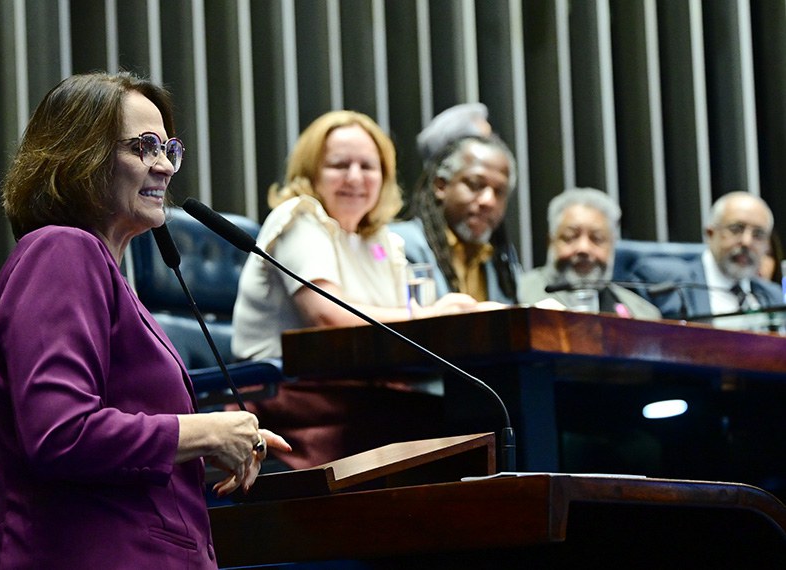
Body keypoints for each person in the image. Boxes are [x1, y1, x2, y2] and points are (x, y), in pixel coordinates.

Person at [0, 71, 289, 569]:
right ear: (79, 155)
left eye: (169, 147)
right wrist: (206, 433)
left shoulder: (105, 275)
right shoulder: (61, 251)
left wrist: (194, 450)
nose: (165, 166)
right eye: (144, 146)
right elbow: (62, 432)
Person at [231, 110, 496, 469]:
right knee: (457, 429)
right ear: (311, 172)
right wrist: (431, 315)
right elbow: (326, 315)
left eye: (368, 167)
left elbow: (411, 320)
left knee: (478, 419)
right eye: (340, 165)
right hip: (287, 397)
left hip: (357, 392)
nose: (355, 177)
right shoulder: (300, 217)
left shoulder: (382, 240)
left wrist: (451, 310)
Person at [391, 134, 519, 303]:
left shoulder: (503, 258)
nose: (489, 201)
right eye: (475, 185)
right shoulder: (398, 244)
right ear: (441, 186)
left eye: (500, 192)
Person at [630, 191, 781, 319]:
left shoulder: (773, 295)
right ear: (710, 233)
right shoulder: (662, 282)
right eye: (736, 229)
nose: (747, 242)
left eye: (758, 234)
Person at [517, 188, 661, 319]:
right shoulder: (516, 295)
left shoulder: (643, 314)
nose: (583, 248)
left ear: (612, 245)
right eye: (570, 237)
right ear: (551, 242)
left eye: (597, 239)